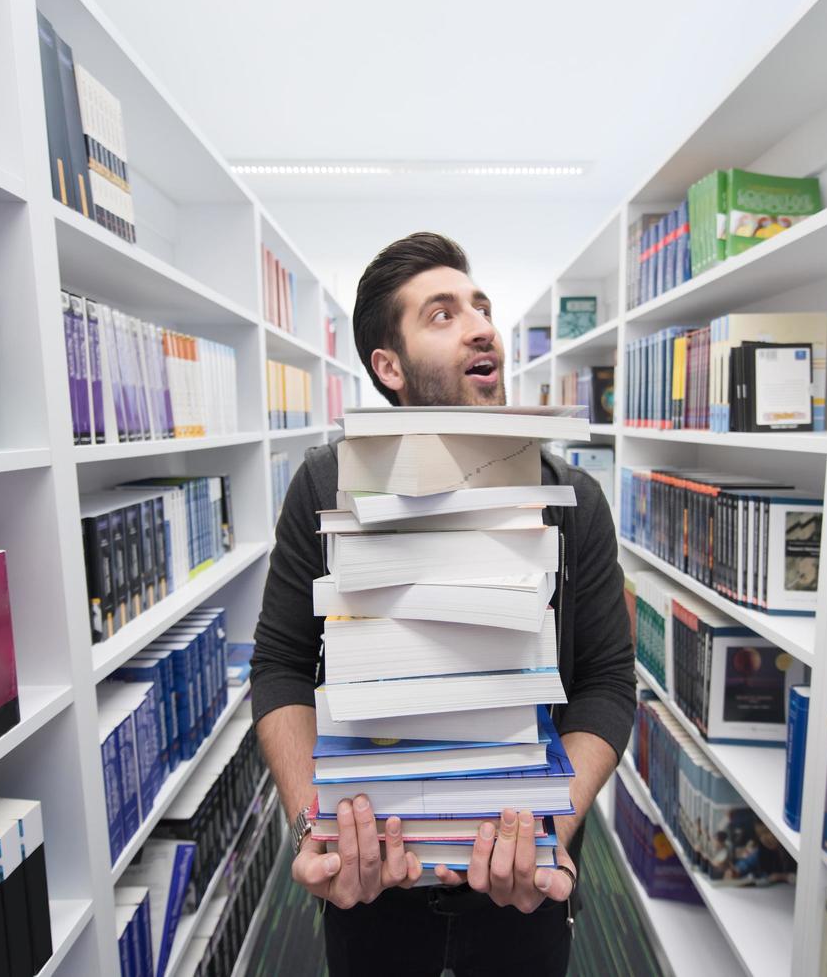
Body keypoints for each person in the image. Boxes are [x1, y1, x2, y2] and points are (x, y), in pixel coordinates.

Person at [250, 232, 634, 976]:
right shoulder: (324, 490)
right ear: (387, 368)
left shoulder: (572, 501)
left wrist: (549, 823)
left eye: (481, 306)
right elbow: (281, 668)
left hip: (522, 893)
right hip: (371, 890)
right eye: (441, 314)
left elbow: (608, 687)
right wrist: (316, 828)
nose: (480, 324)